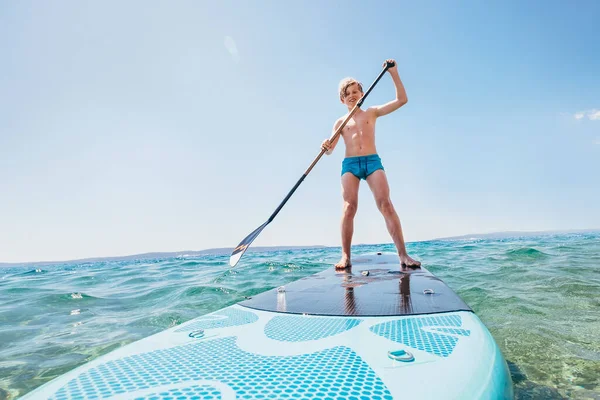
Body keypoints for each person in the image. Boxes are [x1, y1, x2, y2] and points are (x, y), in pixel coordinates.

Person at [321, 59, 421, 270]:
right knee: (349, 207)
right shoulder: (340, 122)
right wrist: (326, 145)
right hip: (350, 164)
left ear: (362, 94)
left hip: (372, 161)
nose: (352, 95)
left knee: (385, 204)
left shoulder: (372, 112)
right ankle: (345, 256)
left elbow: (402, 100)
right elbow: (330, 150)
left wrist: (393, 72)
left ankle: (403, 255)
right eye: (347, 93)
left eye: (356, 91)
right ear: (342, 99)